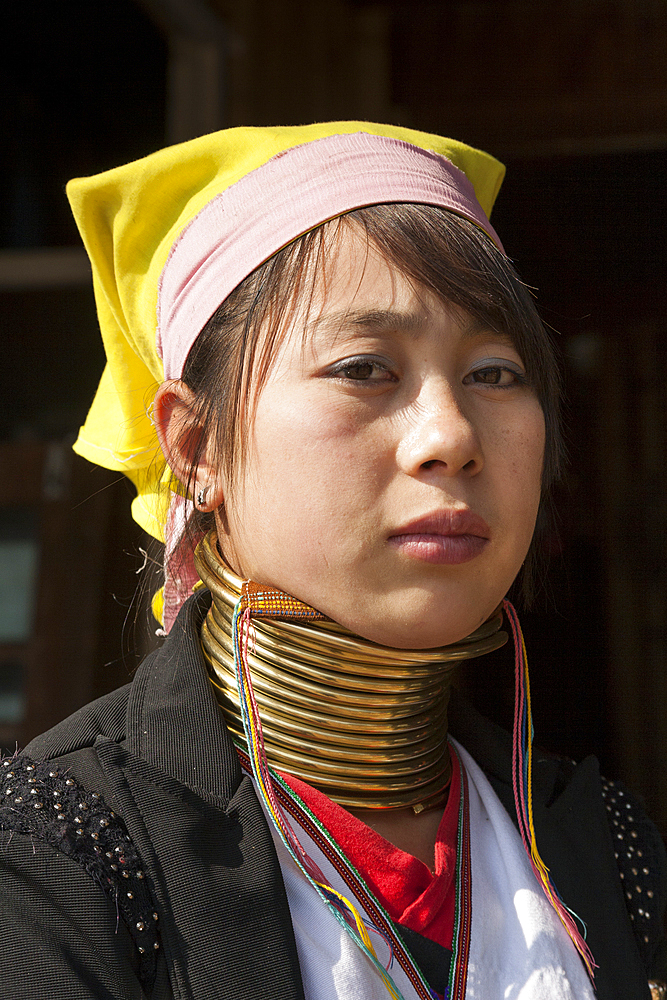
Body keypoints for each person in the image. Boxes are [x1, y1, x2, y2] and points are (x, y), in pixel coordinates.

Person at [0, 122, 665, 1000]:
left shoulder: (602, 846)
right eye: (362, 367)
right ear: (196, 447)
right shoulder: (58, 855)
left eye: (495, 373)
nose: (451, 438)